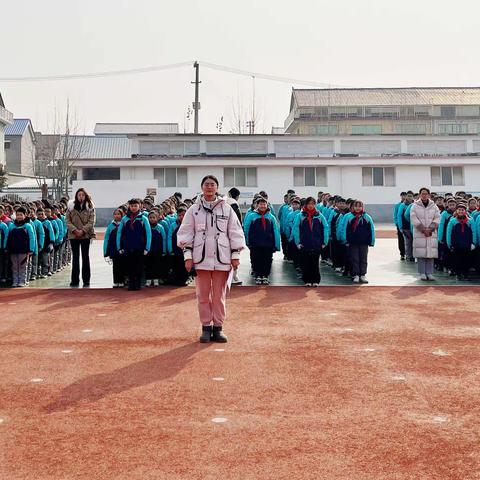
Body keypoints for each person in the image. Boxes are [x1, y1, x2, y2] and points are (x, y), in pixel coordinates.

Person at [177, 175, 246, 343]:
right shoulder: (193, 210)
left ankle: (218, 327)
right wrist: (188, 257)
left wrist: (235, 255)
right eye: (206, 184)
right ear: (202, 187)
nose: (209, 187)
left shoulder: (227, 209)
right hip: (201, 260)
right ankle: (206, 327)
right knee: (203, 295)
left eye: (212, 185)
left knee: (219, 296)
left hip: (222, 259)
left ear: (217, 188)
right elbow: (186, 233)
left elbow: (235, 232)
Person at [292, 196, 329, 287]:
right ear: (305, 205)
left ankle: (315, 280)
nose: (310, 206)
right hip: (304, 244)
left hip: (317, 244)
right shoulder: (300, 216)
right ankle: (307, 280)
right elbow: (296, 229)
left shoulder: (319, 216)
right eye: (309, 204)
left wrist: (325, 241)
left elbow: (326, 228)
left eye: (312, 204)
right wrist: (298, 242)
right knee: (306, 263)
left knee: (315, 263)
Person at [116, 198, 152, 291]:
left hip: (139, 247)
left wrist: (147, 248)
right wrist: (119, 247)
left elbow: (148, 233)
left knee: (138, 266)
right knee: (129, 266)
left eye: (135, 206)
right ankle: (131, 283)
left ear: (139, 206)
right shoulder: (125, 219)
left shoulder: (143, 218)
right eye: (132, 206)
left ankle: (138, 283)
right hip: (128, 247)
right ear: (129, 206)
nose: (133, 208)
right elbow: (119, 233)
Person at [243, 197, 280, 285]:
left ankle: (265, 276)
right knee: (256, 259)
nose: (262, 206)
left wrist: (276, 244)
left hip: (268, 243)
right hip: (255, 243)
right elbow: (247, 229)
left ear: (267, 205)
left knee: (267, 260)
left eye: (264, 204)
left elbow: (275, 231)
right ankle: (258, 275)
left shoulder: (271, 217)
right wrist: (247, 241)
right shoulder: (252, 216)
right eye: (260, 204)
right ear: (257, 205)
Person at [339, 200, 375, 284]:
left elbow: (371, 230)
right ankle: (355, 275)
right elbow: (345, 229)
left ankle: (362, 274)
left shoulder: (367, 217)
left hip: (364, 242)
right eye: (356, 206)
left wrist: (372, 241)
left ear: (362, 207)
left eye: (359, 206)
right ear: (353, 207)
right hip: (353, 242)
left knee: (363, 258)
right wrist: (345, 240)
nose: (358, 208)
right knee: (354, 258)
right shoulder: (349, 217)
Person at [66, 188, 96, 287]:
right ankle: (74, 280)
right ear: (76, 196)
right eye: (79, 195)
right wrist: (75, 230)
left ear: (86, 196)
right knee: (75, 258)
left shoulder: (90, 206)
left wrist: (83, 231)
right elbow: (67, 221)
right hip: (73, 235)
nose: (81, 197)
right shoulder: (70, 206)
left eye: (83, 195)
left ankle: (86, 280)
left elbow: (92, 221)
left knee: (85, 257)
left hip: (85, 235)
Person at [410, 187, 440, 281]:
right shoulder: (414, 206)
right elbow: (413, 218)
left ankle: (430, 273)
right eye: (422, 193)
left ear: (429, 195)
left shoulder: (434, 206)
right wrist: (423, 229)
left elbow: (437, 217)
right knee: (421, 254)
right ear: (419, 195)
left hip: (431, 233)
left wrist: (431, 228)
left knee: (431, 253)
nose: (424, 195)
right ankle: (422, 273)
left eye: (426, 193)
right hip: (420, 233)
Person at [6, 207, 36, 287]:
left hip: (24, 250)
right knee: (14, 266)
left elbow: (32, 238)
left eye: (21, 215)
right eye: (17, 215)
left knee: (23, 266)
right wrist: (7, 247)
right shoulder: (12, 226)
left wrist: (31, 249)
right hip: (13, 250)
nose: (19, 216)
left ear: (25, 215)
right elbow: (7, 237)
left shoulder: (28, 226)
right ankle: (15, 281)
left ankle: (22, 281)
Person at [447, 203, 477, 280]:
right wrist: (449, 243)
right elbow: (449, 233)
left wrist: (473, 242)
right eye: (459, 210)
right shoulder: (452, 221)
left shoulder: (470, 221)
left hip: (467, 244)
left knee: (466, 259)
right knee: (457, 259)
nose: (461, 211)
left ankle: (465, 273)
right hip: (456, 244)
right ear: (456, 211)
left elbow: (474, 232)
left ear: (465, 211)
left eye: (462, 210)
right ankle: (458, 274)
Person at [168, 204, 190, 286]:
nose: (181, 217)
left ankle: (185, 279)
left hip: (186, 250)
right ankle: (178, 279)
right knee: (177, 265)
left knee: (185, 265)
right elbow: (170, 237)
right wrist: (171, 249)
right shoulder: (174, 225)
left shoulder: (189, 225)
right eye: (179, 215)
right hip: (176, 250)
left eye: (183, 215)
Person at [103, 209, 125, 288]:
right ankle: (116, 281)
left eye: (118, 214)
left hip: (122, 249)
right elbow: (106, 238)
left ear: (122, 215)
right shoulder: (110, 226)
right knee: (115, 266)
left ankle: (122, 281)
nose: (117, 215)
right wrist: (105, 251)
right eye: (115, 214)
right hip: (113, 249)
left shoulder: (124, 225)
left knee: (122, 265)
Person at [145, 211, 167, 287]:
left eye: (154, 217)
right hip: (148, 250)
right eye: (150, 218)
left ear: (157, 218)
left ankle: (156, 279)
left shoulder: (160, 227)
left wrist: (164, 250)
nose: (152, 219)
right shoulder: (146, 227)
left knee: (156, 265)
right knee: (148, 265)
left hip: (157, 250)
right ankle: (148, 279)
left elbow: (164, 239)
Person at [226, 187, 243, 285]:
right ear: (237, 196)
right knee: (234, 256)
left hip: (224, 234)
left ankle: (232, 276)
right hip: (233, 235)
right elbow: (237, 222)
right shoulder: (234, 205)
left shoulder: (225, 203)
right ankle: (233, 277)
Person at [37, 208, 55, 279]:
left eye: (42, 214)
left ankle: (45, 272)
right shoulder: (36, 222)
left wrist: (51, 242)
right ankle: (38, 273)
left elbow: (51, 232)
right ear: (36, 214)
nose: (41, 215)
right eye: (39, 214)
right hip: (38, 244)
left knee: (45, 260)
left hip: (46, 244)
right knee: (38, 260)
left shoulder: (47, 223)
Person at [397, 191, 415, 262]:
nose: (409, 197)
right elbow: (399, 216)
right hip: (405, 227)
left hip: (413, 227)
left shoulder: (415, 204)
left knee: (414, 242)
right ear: (406, 197)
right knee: (408, 243)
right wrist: (400, 227)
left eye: (411, 196)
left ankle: (414, 256)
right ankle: (408, 256)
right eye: (408, 196)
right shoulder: (403, 205)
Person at [393, 192, 407, 260]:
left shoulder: (409, 204)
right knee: (401, 239)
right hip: (400, 225)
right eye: (402, 196)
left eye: (405, 196)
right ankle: (402, 254)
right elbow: (395, 215)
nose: (404, 197)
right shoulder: (397, 205)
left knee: (408, 240)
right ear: (400, 196)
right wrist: (397, 223)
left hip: (407, 225)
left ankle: (408, 253)